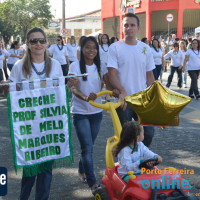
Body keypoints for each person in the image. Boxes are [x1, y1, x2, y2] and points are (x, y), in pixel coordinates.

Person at [1, 27, 63, 200]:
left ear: (47, 42)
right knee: (30, 170)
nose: (38, 44)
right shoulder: (20, 67)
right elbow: (11, 95)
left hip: (49, 125)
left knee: (46, 170)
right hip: (29, 126)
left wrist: (69, 86)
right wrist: (8, 90)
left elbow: (60, 93)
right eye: (34, 41)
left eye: (41, 40)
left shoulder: (56, 65)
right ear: (27, 44)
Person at [68, 36, 116, 195]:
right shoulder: (75, 66)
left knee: (88, 147)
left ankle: (82, 170)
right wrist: (85, 97)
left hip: (97, 112)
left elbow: (108, 85)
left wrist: (111, 81)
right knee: (87, 148)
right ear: (81, 49)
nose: (91, 51)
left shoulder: (100, 66)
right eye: (87, 47)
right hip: (80, 113)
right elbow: (73, 89)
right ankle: (93, 183)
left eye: (94, 48)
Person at [107, 13, 155, 147]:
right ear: (122, 28)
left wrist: (153, 96)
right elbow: (112, 74)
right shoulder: (115, 47)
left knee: (149, 132)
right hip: (124, 100)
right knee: (126, 135)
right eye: (126, 25)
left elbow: (149, 76)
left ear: (138, 28)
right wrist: (122, 91)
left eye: (132, 25)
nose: (129, 28)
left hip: (142, 99)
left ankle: (141, 158)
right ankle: (127, 162)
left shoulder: (145, 48)